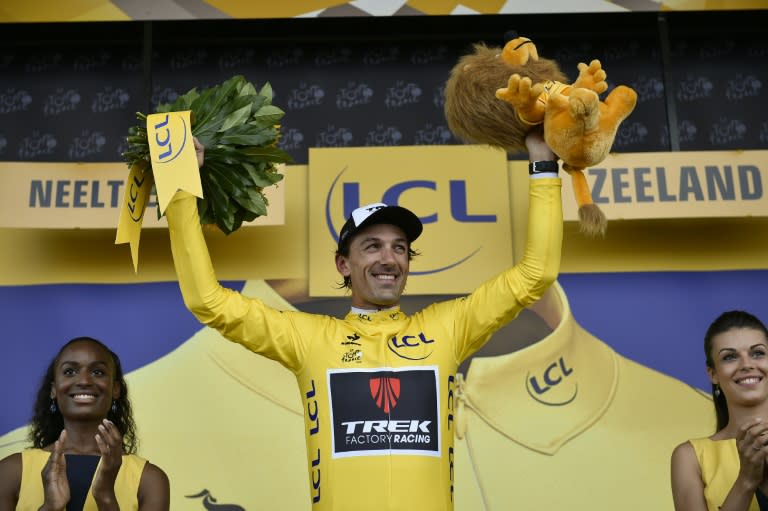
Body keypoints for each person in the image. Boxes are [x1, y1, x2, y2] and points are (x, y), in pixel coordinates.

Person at [163, 130, 562, 511]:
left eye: (399, 248)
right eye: (372, 247)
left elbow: (535, 275)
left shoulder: (448, 327)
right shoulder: (308, 337)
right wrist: (181, 190)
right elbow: (208, 301)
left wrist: (543, 164)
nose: (388, 259)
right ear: (343, 264)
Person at [0, 336, 169, 511]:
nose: (84, 381)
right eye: (70, 372)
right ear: (54, 389)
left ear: (115, 389)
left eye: (98, 372)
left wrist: (106, 497)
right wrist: (50, 507)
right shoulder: (10, 472)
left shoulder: (149, 479)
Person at [671, 311, 768, 511]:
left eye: (757, 353)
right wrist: (746, 482)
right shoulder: (690, 457)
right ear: (713, 374)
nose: (747, 365)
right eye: (730, 357)